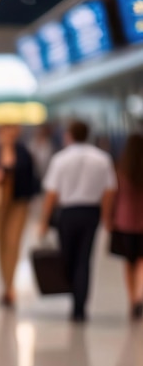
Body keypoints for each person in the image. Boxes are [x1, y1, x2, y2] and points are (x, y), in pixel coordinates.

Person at [39, 120, 117, 322]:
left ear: (69, 135)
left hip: (68, 213)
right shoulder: (102, 158)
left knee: (68, 256)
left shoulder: (60, 159)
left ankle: (74, 294)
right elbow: (109, 190)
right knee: (84, 258)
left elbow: (52, 193)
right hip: (91, 212)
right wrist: (107, 217)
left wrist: (44, 221)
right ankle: (79, 307)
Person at [0, 123, 39, 308]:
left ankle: (10, 286)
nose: (8, 134)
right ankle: (5, 284)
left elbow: (31, 178)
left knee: (13, 242)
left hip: (18, 203)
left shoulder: (23, 152)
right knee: (0, 242)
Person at [107, 133, 143, 319]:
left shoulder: (122, 171)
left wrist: (109, 219)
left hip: (125, 222)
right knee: (141, 261)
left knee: (129, 262)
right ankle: (140, 293)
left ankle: (132, 298)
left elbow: (114, 197)